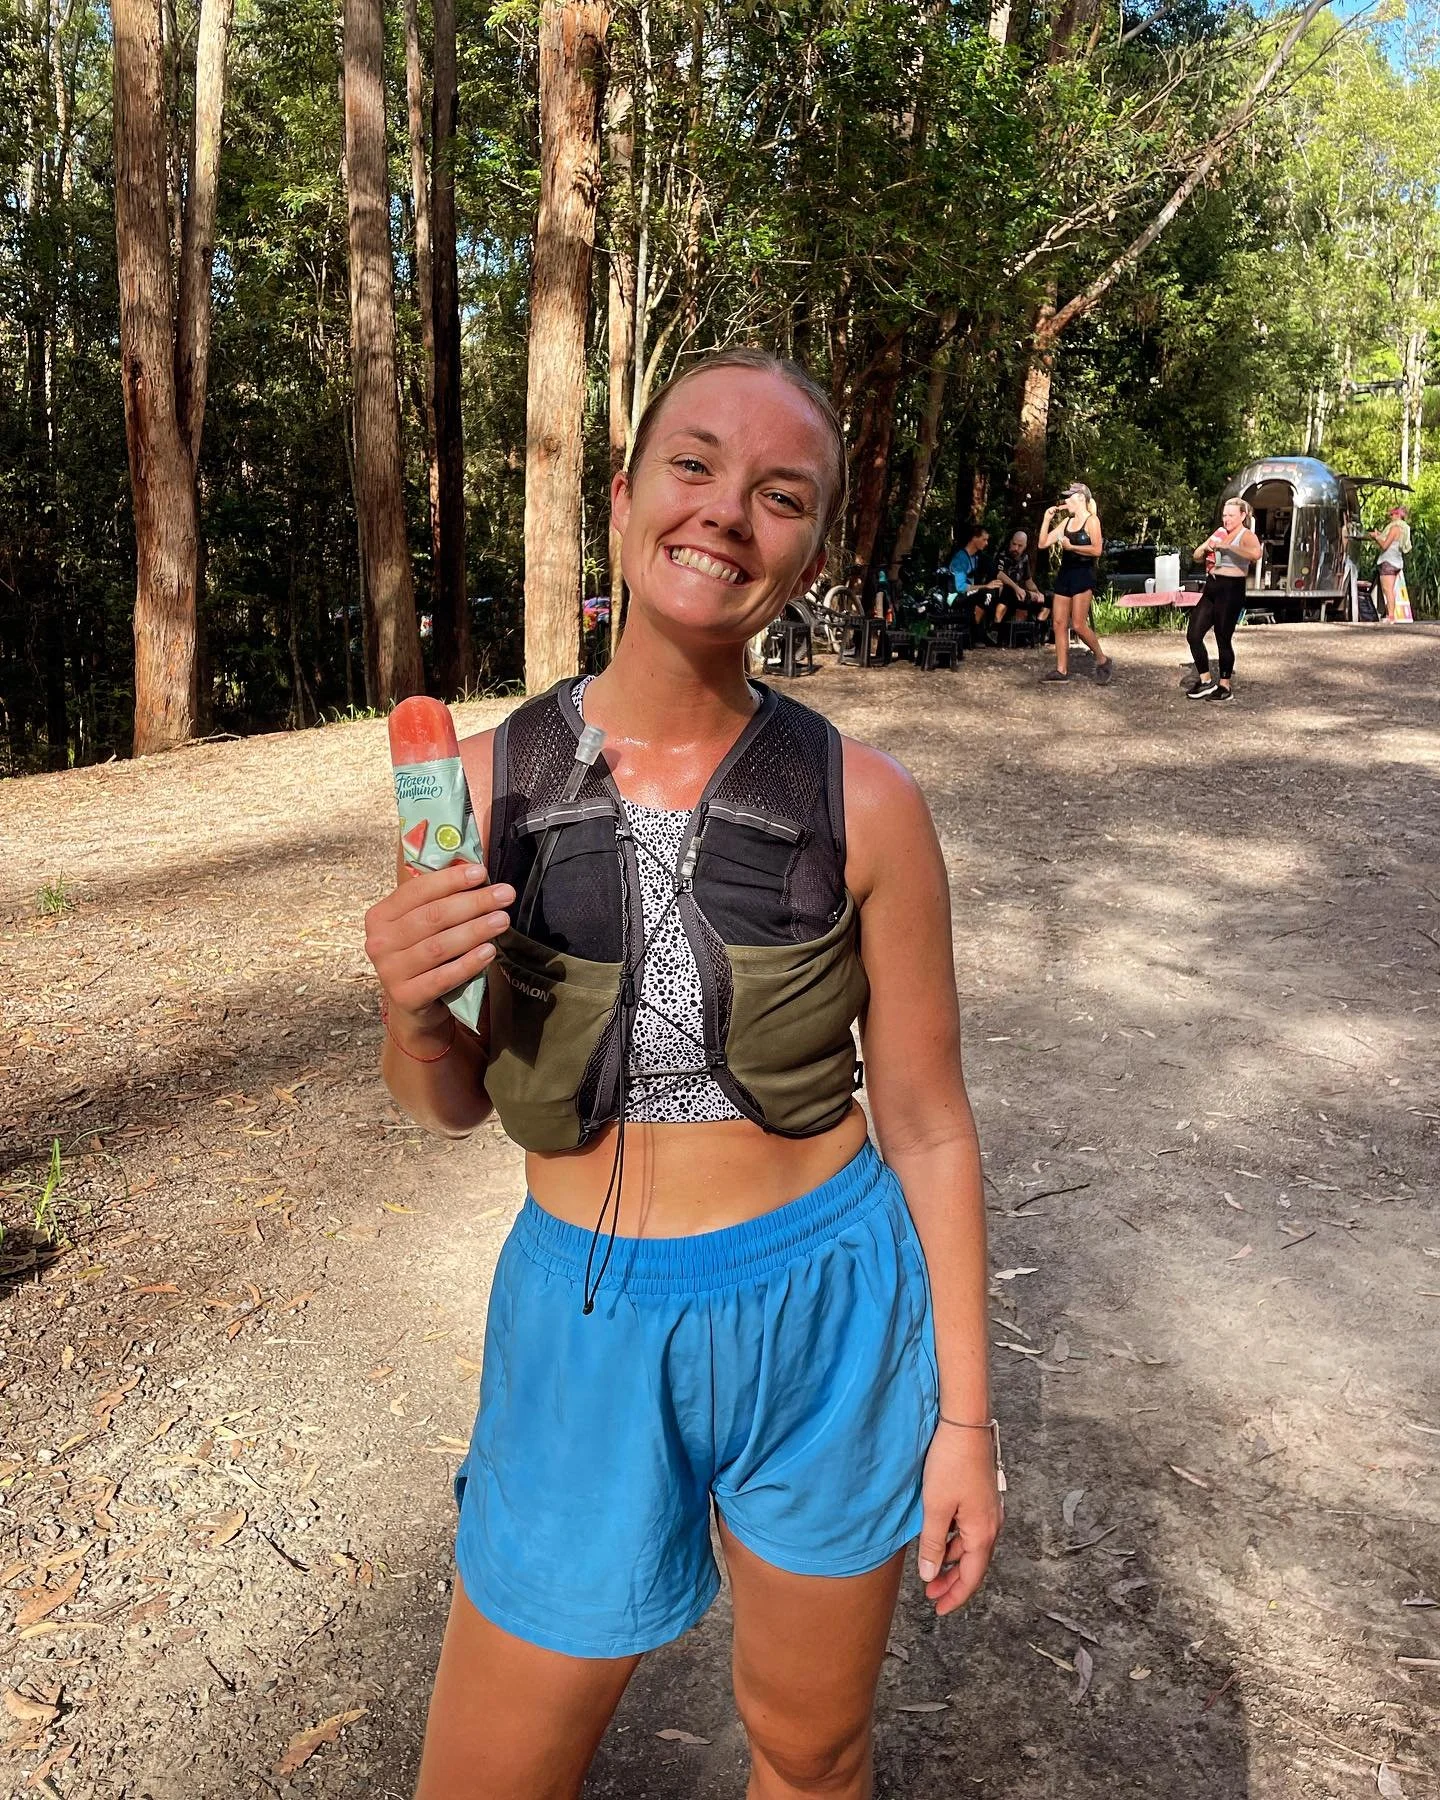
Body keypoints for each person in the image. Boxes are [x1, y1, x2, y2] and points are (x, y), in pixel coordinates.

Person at [364, 348, 1002, 1800]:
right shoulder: (473, 788)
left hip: (828, 1311)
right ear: (624, 498)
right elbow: (454, 1099)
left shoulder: (868, 804)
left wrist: (964, 1423)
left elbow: (926, 1121)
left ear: (815, 550)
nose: (727, 514)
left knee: (813, 1749)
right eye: (696, 466)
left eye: (782, 497)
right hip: (584, 1322)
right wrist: (411, 1016)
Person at [1186, 499, 1261, 702]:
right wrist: (1205, 549)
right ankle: (1205, 679)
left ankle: (1225, 685)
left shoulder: (1246, 535)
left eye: (1231, 516)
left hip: (1231, 589)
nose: (1226, 519)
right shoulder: (1220, 533)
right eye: (1224, 515)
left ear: (1242, 516)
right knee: (1193, 634)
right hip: (1212, 587)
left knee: (1222, 637)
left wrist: (1229, 549)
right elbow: (1196, 555)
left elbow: (1256, 554)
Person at [1036, 483, 1112, 683]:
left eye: (1069, 498)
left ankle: (1102, 659)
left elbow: (1097, 550)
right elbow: (1042, 543)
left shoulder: (1091, 521)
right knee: (1059, 623)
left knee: (1078, 624)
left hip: (1083, 574)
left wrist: (1072, 547)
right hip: (1065, 574)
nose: (1065, 501)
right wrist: (1047, 519)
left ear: (1080, 498)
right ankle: (1061, 670)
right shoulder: (1067, 523)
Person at [991, 529, 1049, 638]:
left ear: (1025, 546)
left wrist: (1037, 593)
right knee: (1009, 591)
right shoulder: (1002, 555)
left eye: (1020, 546)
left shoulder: (1024, 558)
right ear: (1010, 542)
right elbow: (999, 575)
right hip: (1001, 592)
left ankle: (1037, 630)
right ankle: (996, 628)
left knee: (1048, 598)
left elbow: (1028, 581)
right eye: (1014, 544)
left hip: (1018, 594)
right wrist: (1017, 588)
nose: (1016, 548)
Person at [1370, 506, 1411, 622]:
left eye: (1392, 515)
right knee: (1391, 590)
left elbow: (1384, 545)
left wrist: (1376, 537)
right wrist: (1379, 537)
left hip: (1388, 562)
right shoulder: (1403, 529)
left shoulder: (1395, 529)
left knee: (1388, 590)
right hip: (1397, 561)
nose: (1390, 517)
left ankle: (1391, 616)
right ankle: (1390, 615)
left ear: (1398, 515)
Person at [947, 523, 990, 604]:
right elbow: (960, 587)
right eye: (984, 540)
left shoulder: (976, 557)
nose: (986, 543)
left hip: (967, 596)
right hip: (956, 597)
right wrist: (986, 586)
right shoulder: (961, 558)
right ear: (974, 538)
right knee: (985, 594)